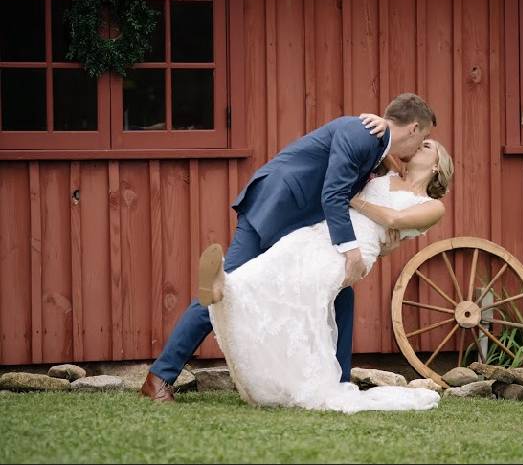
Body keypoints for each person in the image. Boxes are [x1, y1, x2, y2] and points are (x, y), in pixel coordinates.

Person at [140, 93, 436, 402]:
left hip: (299, 226)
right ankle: (160, 377)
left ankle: (338, 383)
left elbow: (377, 162)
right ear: (414, 128)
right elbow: (333, 195)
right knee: (227, 287)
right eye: (424, 137)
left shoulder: (374, 140)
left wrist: (387, 140)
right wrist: (352, 253)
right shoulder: (361, 133)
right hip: (275, 209)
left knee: (341, 295)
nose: (419, 146)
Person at [199, 138, 454, 413]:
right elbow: (385, 139)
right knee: (277, 261)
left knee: (306, 289)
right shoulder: (389, 172)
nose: (418, 145)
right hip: (325, 231)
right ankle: (228, 287)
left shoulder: (432, 206)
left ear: (438, 165)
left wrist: (353, 199)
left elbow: (393, 220)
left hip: (355, 250)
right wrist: (375, 124)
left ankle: (309, 379)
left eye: (427, 146)